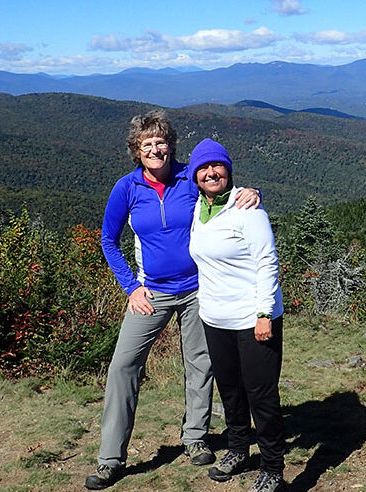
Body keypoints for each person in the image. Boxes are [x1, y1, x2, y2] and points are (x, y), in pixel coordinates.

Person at [85, 112, 261, 491]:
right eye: (146, 143)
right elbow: (108, 241)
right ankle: (110, 458)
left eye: (160, 141)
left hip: (199, 290)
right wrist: (131, 287)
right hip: (151, 293)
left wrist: (254, 193)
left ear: (171, 145)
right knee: (123, 366)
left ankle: (195, 438)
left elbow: (223, 193)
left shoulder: (189, 177)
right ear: (136, 150)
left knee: (200, 364)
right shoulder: (127, 188)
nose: (154, 148)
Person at [188, 138, 285, 492]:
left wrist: (264, 314)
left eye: (218, 166)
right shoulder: (197, 208)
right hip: (215, 318)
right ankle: (239, 450)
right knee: (230, 391)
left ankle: (273, 467)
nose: (211, 173)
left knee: (262, 395)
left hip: (252, 318)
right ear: (194, 175)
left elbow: (266, 261)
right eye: (204, 168)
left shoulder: (248, 209)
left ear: (228, 171)